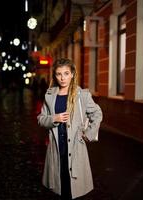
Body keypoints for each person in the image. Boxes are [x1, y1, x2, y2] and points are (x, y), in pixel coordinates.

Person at [37, 58, 103, 199]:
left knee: (73, 188)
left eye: (66, 73)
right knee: (60, 187)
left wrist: (89, 133)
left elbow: (97, 113)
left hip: (75, 148)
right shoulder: (50, 95)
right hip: (56, 148)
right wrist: (54, 118)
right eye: (59, 74)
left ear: (72, 74)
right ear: (54, 75)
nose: (62, 78)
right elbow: (41, 119)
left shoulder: (82, 95)